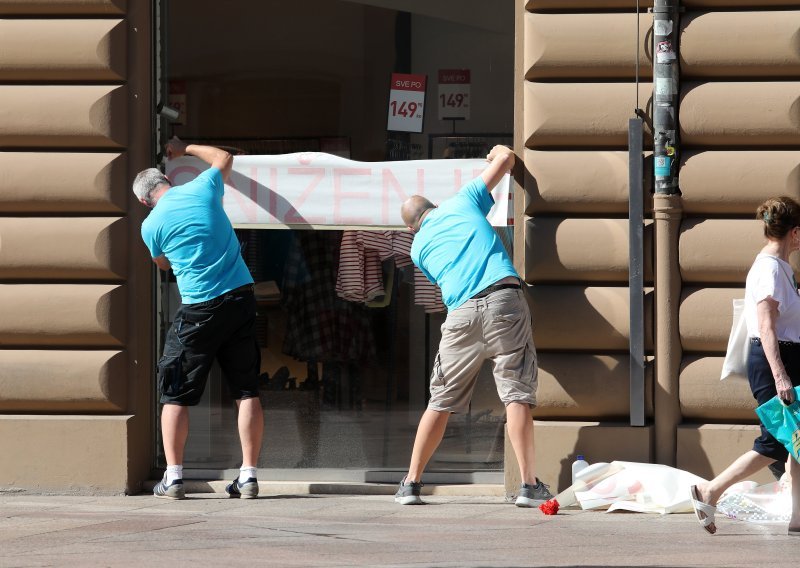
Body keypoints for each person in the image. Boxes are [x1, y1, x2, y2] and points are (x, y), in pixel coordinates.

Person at [394, 145, 552, 507]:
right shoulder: (462, 200)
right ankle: (528, 485)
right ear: (433, 205)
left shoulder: (418, 248)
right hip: (503, 301)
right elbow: (506, 161)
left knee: (441, 400)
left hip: (461, 313)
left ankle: (411, 483)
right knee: (515, 393)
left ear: (410, 226)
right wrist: (498, 151)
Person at [132, 137, 263, 500]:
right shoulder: (203, 187)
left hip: (199, 309)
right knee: (246, 389)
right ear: (167, 182)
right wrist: (184, 147)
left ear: (145, 201)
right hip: (240, 298)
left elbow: (163, 265)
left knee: (175, 392)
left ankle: (173, 478)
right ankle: (248, 476)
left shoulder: (150, 226)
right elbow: (224, 157)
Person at [690, 196, 800, 535]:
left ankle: (797, 518)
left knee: (796, 440)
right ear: (795, 233)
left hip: (785, 357)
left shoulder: (781, 268)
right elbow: (766, 327)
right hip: (773, 361)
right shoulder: (768, 269)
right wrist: (780, 375)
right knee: (776, 442)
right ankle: (711, 490)